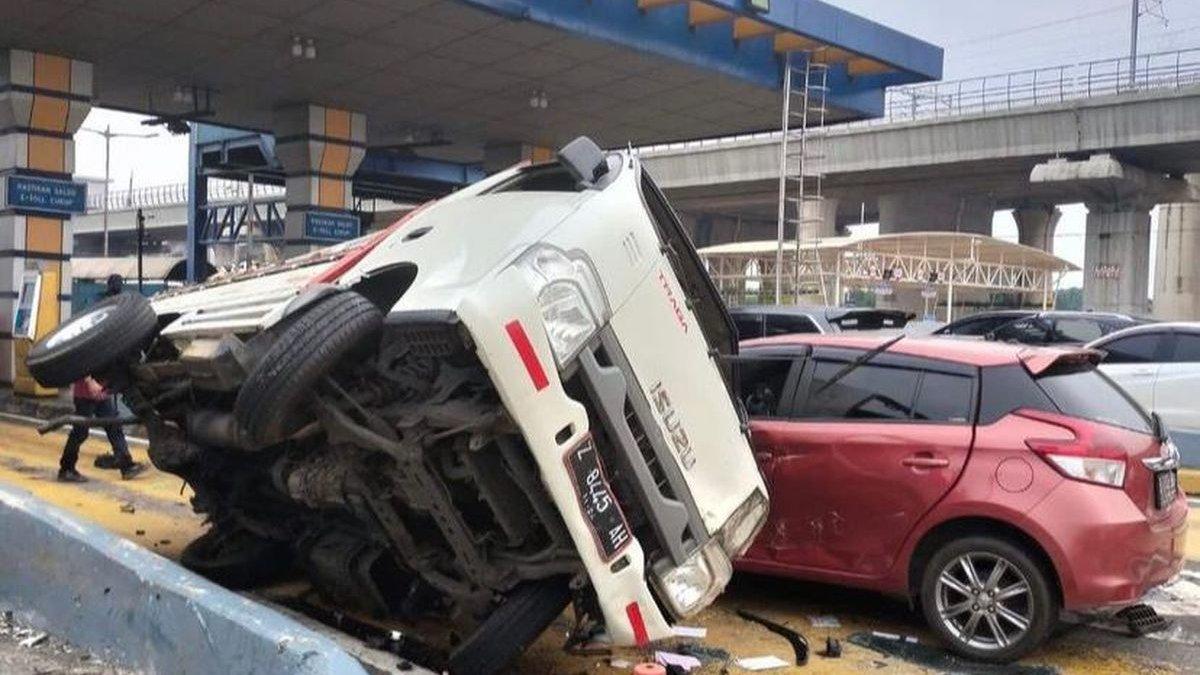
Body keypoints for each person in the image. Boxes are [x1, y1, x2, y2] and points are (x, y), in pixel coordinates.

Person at [58, 376, 145, 482]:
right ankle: (66, 469)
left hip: (102, 393)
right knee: (80, 433)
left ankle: (126, 466)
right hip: (85, 395)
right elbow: (82, 365)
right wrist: (91, 382)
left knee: (114, 428)